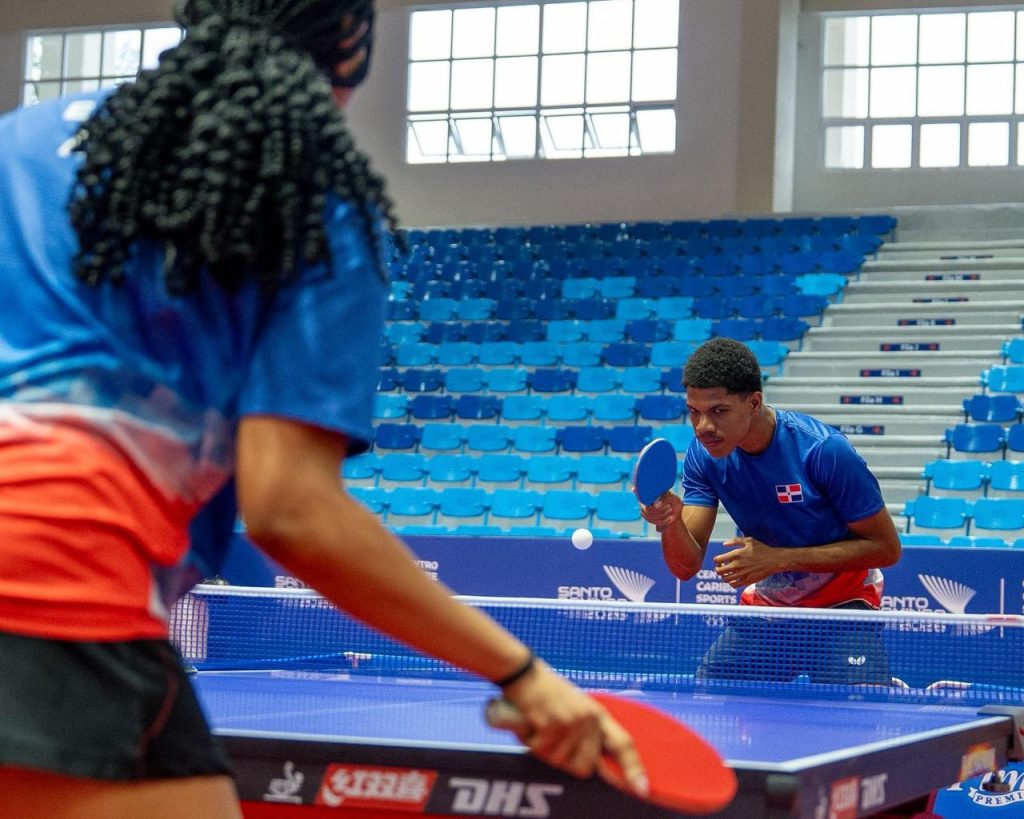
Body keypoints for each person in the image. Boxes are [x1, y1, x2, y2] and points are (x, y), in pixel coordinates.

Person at [0, 2, 646, 817]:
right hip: (53, 588)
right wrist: (522, 672)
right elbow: (291, 509)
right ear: (347, 44)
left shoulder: (17, 140)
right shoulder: (308, 188)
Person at [640, 338, 902, 683]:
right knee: (710, 693)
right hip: (770, 611)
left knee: (857, 705)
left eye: (718, 411)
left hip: (843, 607)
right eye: (694, 411)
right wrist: (670, 522)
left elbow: (886, 549)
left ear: (753, 402)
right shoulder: (703, 456)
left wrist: (778, 559)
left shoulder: (824, 451)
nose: (703, 426)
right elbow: (685, 567)